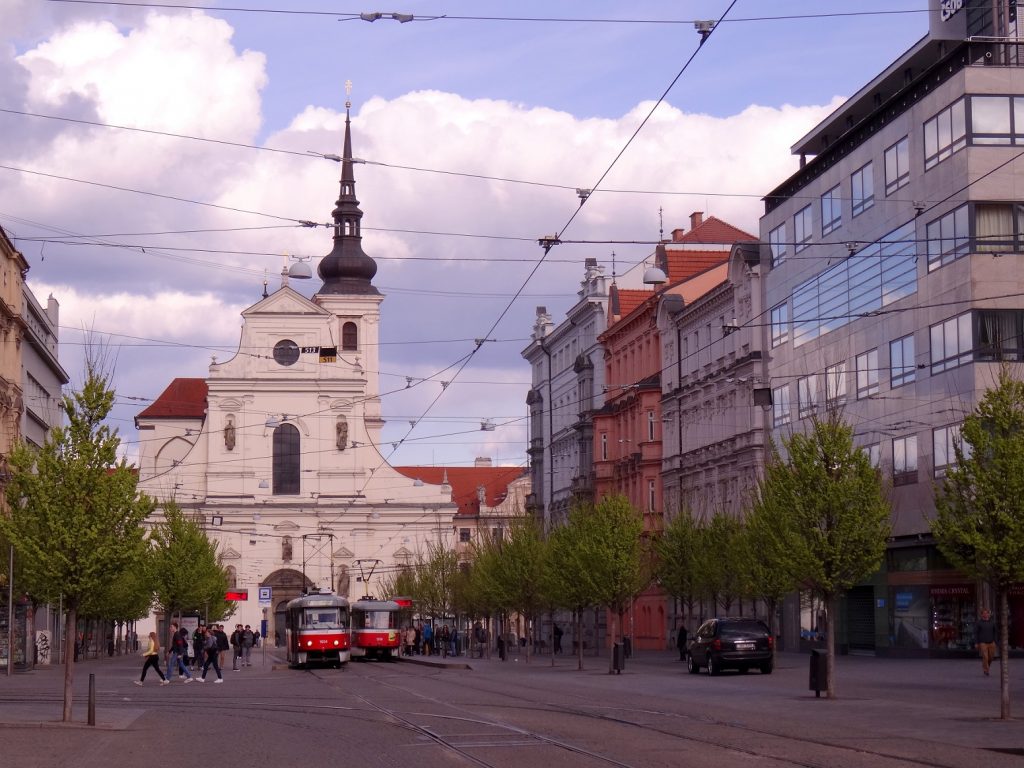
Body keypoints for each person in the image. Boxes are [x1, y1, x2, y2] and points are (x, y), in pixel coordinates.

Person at [975, 608, 998, 677]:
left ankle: (986, 666)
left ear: (989, 614)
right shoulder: (979, 623)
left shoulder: (992, 622)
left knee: (991, 657)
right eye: (984, 613)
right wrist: (976, 643)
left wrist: (995, 641)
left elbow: (995, 632)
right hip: (983, 643)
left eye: (987, 613)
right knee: (985, 657)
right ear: (981, 615)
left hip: (991, 642)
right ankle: (986, 670)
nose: (986, 615)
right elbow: (976, 633)